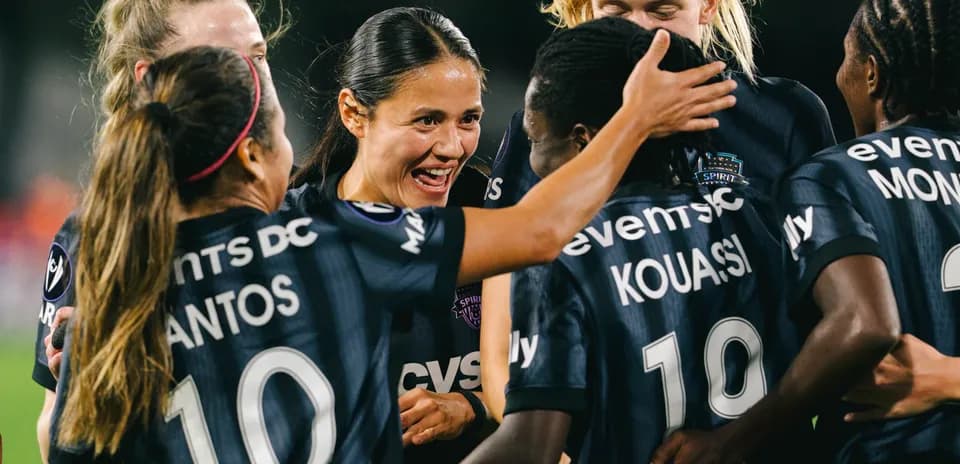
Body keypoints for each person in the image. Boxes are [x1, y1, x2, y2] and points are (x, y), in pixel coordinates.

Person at [46, 23, 738, 463]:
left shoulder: (111, 311)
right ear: (255, 159)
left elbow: (62, 445)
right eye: (282, 131)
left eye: (467, 120)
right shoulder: (330, 243)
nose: (452, 145)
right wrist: (636, 119)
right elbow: (542, 229)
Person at [464, 18, 810, 463]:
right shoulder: (755, 217)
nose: (531, 159)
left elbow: (531, 444)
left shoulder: (561, 257)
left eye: (535, 139)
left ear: (583, 139)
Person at [652, 0, 960, 462]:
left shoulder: (829, 177)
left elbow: (864, 325)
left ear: (872, 74)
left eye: (846, 58)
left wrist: (728, 443)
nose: (840, 76)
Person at [34, 1, 286, 461]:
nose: (254, 82)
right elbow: (55, 434)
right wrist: (84, 381)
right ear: (151, 80)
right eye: (221, 60)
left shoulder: (304, 217)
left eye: (260, 57)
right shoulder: (93, 239)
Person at [291, 8, 496, 460]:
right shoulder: (294, 238)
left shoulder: (495, 215)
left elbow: (560, 372)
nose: (451, 147)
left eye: (468, 119)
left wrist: (472, 406)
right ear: (353, 113)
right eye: (426, 120)